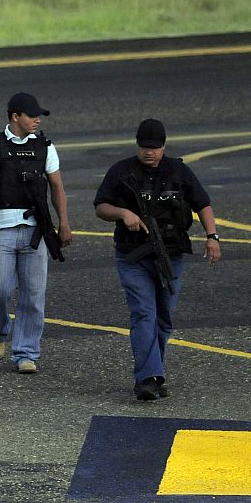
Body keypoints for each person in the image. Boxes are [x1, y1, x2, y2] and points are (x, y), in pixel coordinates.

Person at [94, 118, 220, 400]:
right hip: (133, 256)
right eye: (144, 146)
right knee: (143, 313)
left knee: (164, 317)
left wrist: (212, 237)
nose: (148, 152)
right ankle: (147, 379)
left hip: (170, 255)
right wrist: (123, 214)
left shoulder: (179, 171)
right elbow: (100, 206)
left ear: (163, 146)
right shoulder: (121, 171)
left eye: (154, 147)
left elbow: (203, 203)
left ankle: (154, 372)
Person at [0, 92, 72, 373]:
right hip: (1, 229)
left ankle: (26, 353)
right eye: (32, 115)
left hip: (36, 231)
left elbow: (57, 187)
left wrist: (64, 221)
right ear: (15, 117)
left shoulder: (45, 147)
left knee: (33, 295)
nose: (37, 120)